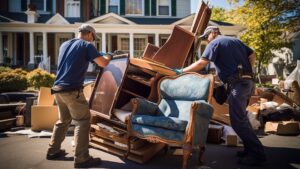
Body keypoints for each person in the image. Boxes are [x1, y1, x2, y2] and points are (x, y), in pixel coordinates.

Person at [175, 26, 266, 166]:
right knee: (242, 118)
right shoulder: (236, 41)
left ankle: (257, 155)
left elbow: (202, 62)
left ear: (214, 33)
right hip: (247, 83)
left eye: (207, 37)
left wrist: (181, 71)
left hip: (239, 85)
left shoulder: (215, 42)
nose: (206, 41)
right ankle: (250, 149)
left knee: (237, 121)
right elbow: (252, 54)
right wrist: (246, 72)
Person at [46, 24, 113, 168]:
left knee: (63, 120)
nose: (93, 41)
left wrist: (96, 52)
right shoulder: (87, 46)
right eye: (93, 38)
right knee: (83, 121)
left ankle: (53, 150)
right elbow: (103, 63)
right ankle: (82, 158)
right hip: (72, 90)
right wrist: (109, 56)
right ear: (89, 34)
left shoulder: (65, 44)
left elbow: (77, 57)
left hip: (58, 89)